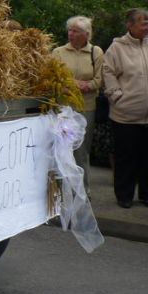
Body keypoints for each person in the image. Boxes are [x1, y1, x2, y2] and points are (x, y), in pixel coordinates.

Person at [102, 8, 148, 209]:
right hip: (126, 115)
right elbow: (108, 73)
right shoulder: (117, 48)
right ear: (130, 25)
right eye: (144, 24)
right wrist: (118, 97)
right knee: (126, 158)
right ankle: (124, 196)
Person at [52, 16, 103, 196]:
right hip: (63, 108)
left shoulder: (95, 52)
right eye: (70, 30)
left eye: (75, 31)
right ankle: (61, 189)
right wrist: (72, 84)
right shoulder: (58, 52)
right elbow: (54, 77)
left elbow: (100, 79)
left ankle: (82, 189)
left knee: (81, 150)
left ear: (86, 34)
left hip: (86, 107)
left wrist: (87, 85)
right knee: (62, 148)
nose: (71, 34)